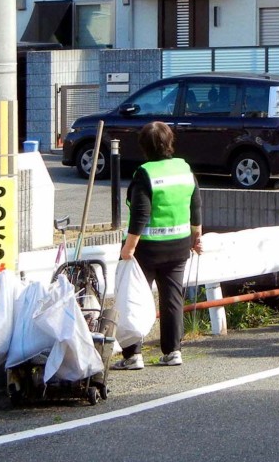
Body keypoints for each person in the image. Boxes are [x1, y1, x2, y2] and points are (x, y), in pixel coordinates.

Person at [113, 121, 203, 370]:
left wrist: (128, 248)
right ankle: (173, 351)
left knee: (133, 297)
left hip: (147, 248)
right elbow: (195, 205)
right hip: (179, 245)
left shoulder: (145, 173)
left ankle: (133, 355)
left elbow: (141, 214)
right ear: (169, 142)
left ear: (144, 146)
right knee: (172, 298)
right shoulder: (183, 168)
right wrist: (197, 237)